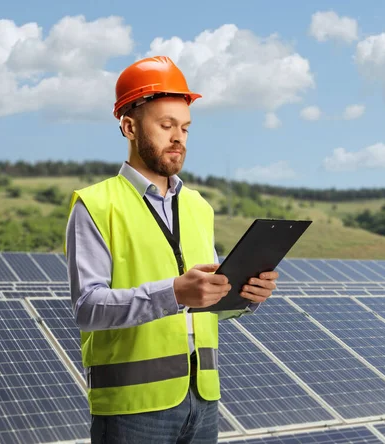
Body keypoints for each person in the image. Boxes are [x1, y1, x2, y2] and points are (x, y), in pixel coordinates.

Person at [64, 55, 279, 443]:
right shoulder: (96, 205)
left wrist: (245, 297)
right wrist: (174, 293)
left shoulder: (198, 206)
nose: (178, 137)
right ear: (129, 127)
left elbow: (208, 303)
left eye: (184, 127)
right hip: (133, 407)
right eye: (165, 125)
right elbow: (87, 308)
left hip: (204, 400)